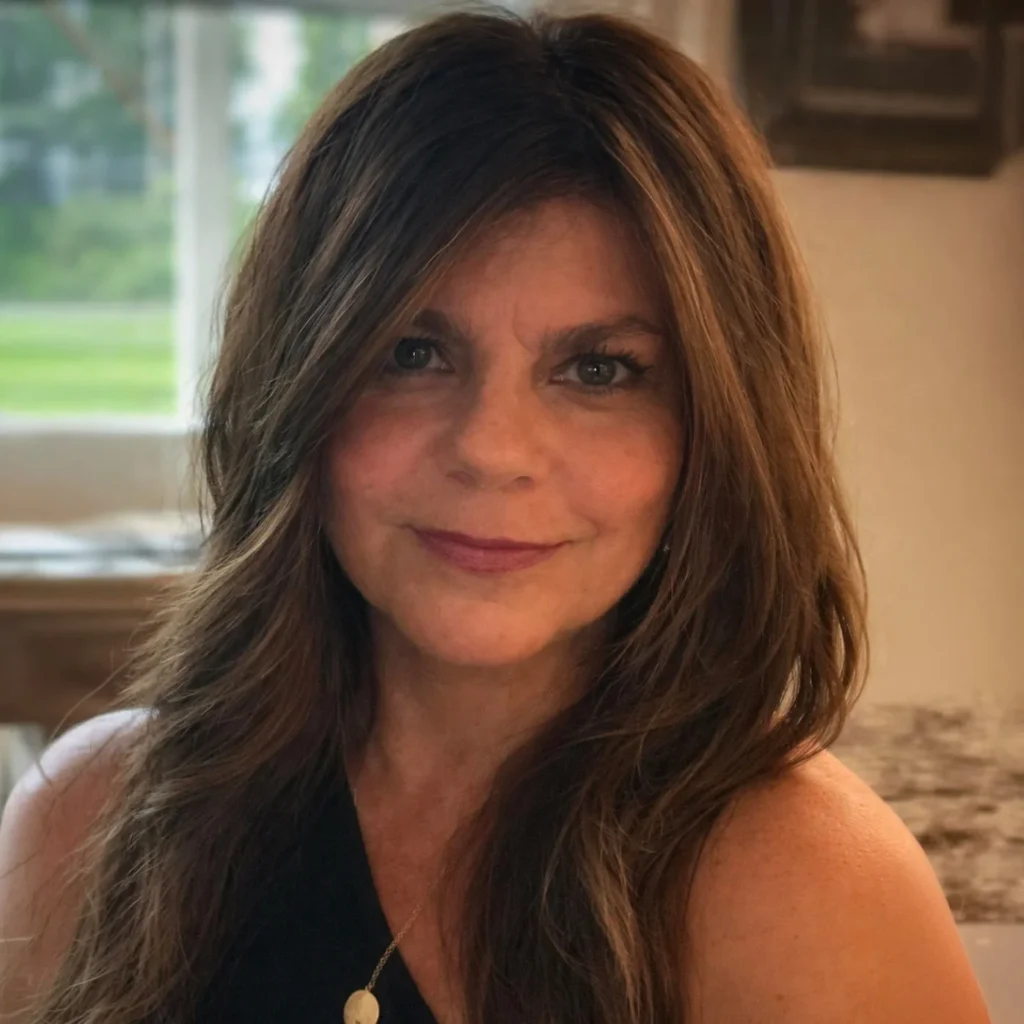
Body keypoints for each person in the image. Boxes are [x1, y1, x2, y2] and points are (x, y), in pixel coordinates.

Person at [0, 7, 991, 1024]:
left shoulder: (813, 899)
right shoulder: (89, 825)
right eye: (412, 353)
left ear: (716, 431)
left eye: (599, 369)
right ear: (296, 386)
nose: (490, 447)